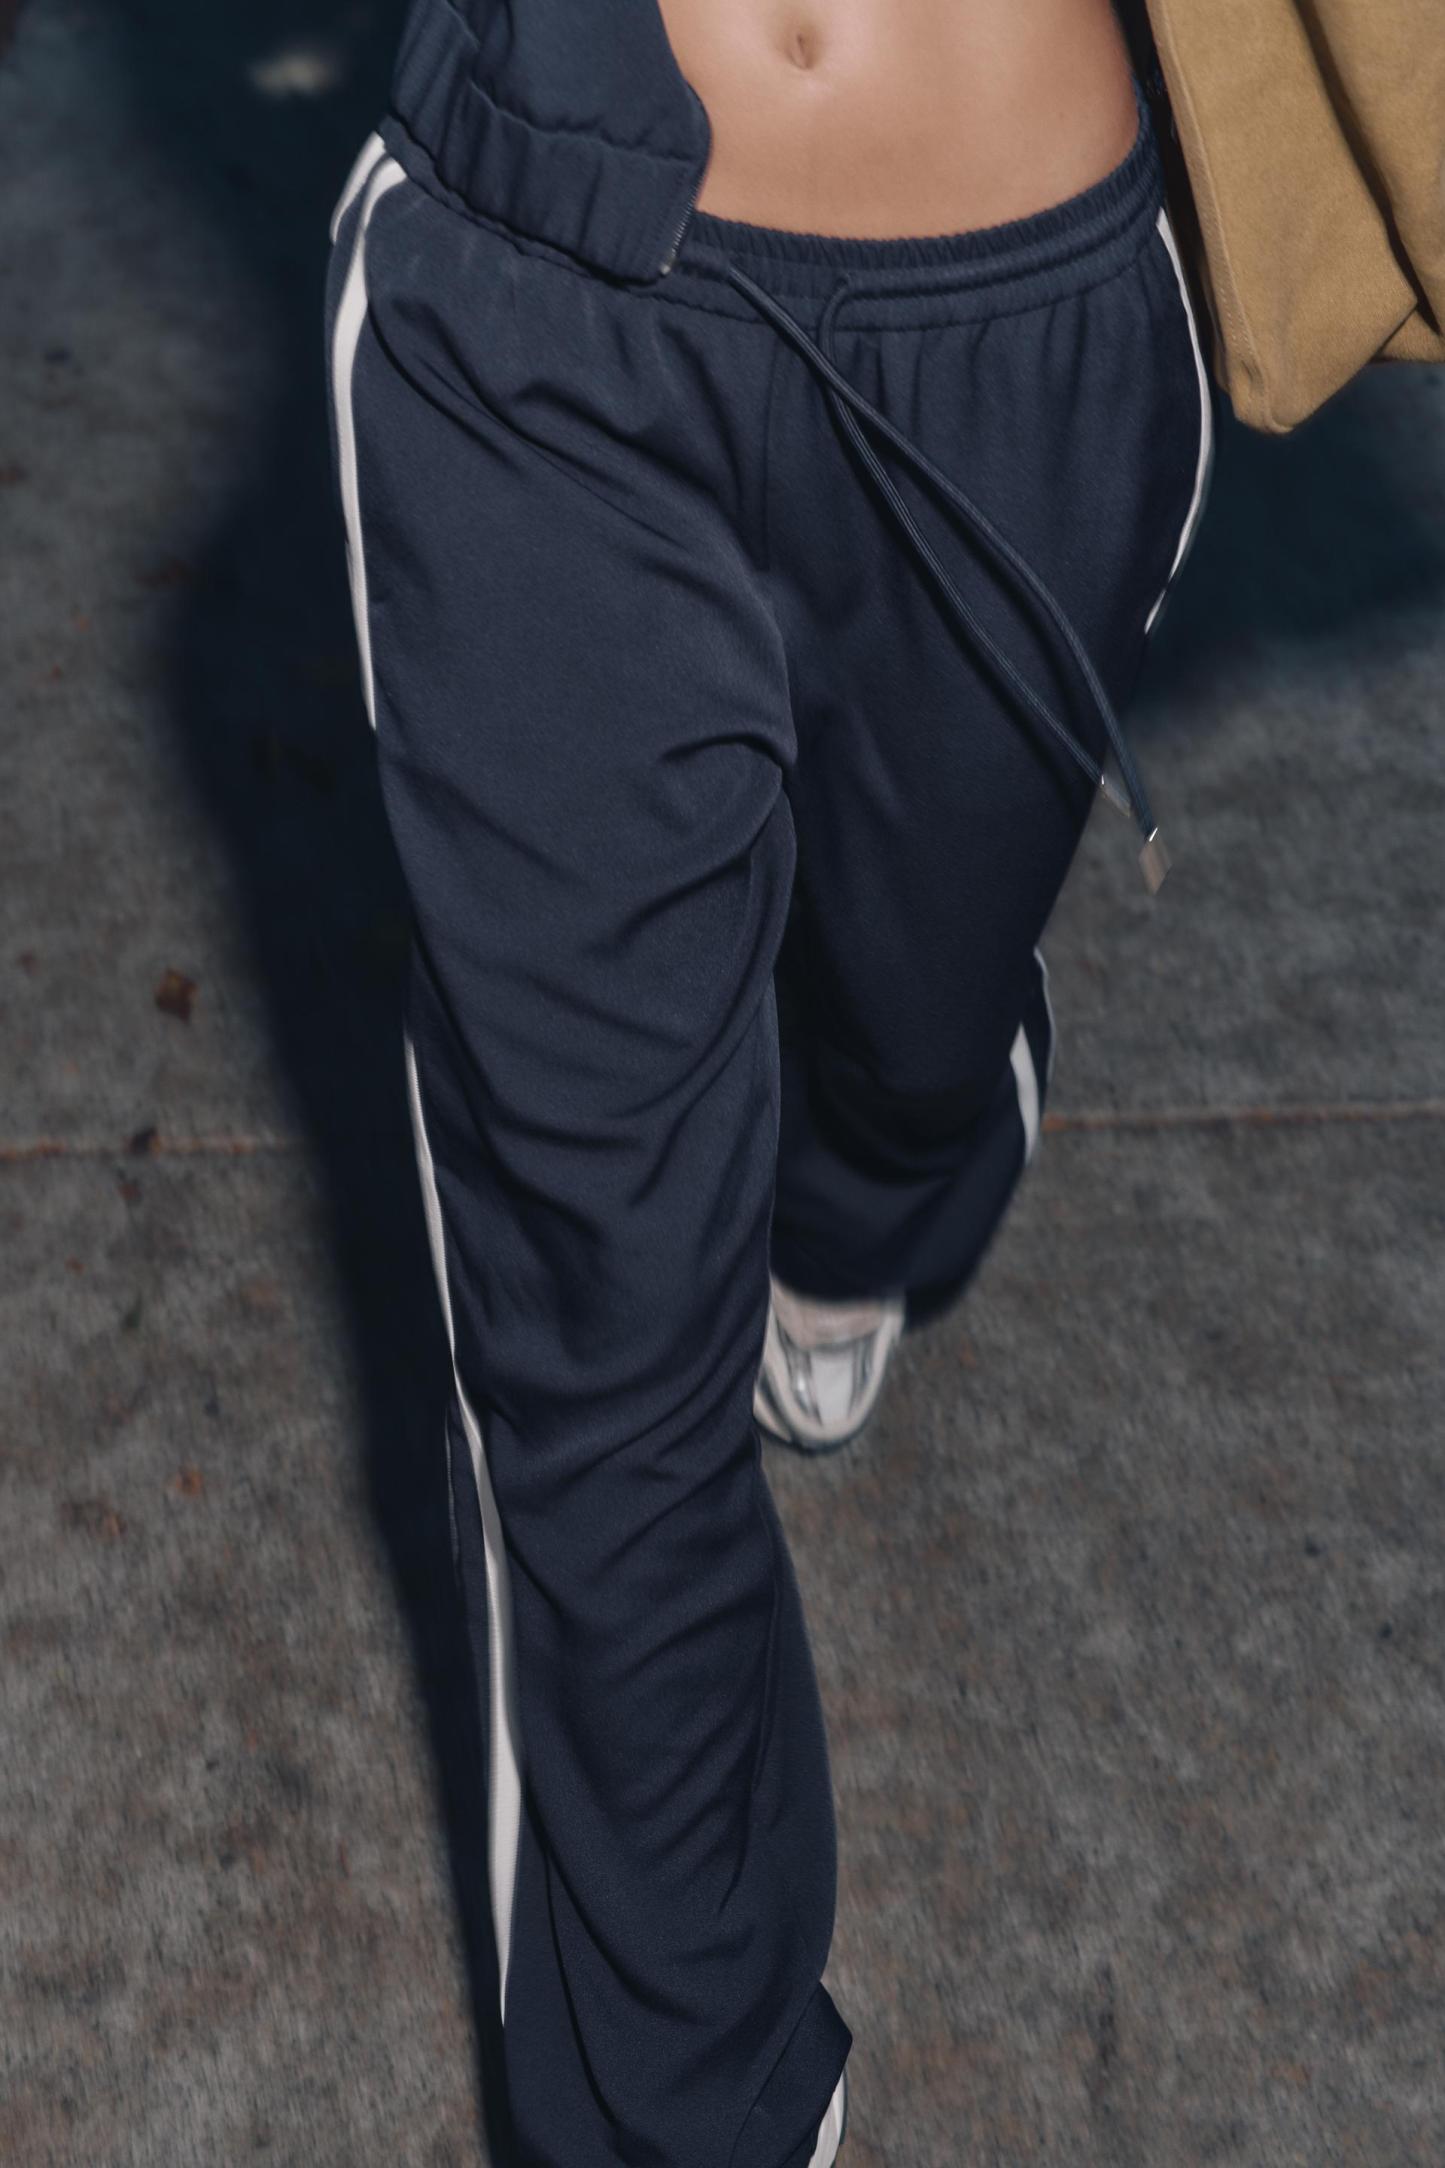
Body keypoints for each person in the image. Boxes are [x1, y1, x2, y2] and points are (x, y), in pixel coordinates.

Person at [324, 1, 1213, 2159]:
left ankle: (881, 1174)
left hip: (1028, 293)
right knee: (594, 1317)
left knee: (911, 1024)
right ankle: (694, 2116)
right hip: (532, 299)